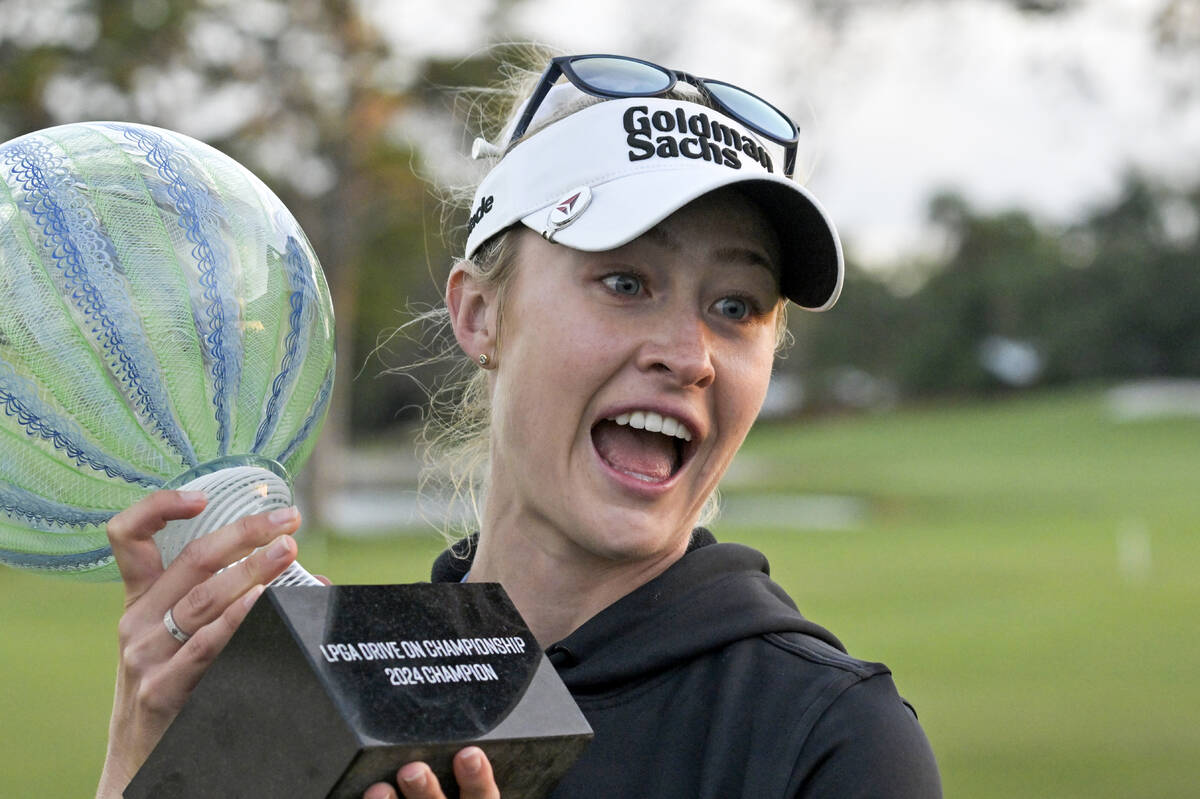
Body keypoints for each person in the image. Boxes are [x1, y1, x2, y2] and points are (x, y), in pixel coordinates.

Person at [96, 52, 942, 799]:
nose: (690, 355)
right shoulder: (350, 678)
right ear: (479, 312)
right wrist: (150, 758)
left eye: (735, 306)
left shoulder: (828, 739)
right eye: (625, 281)